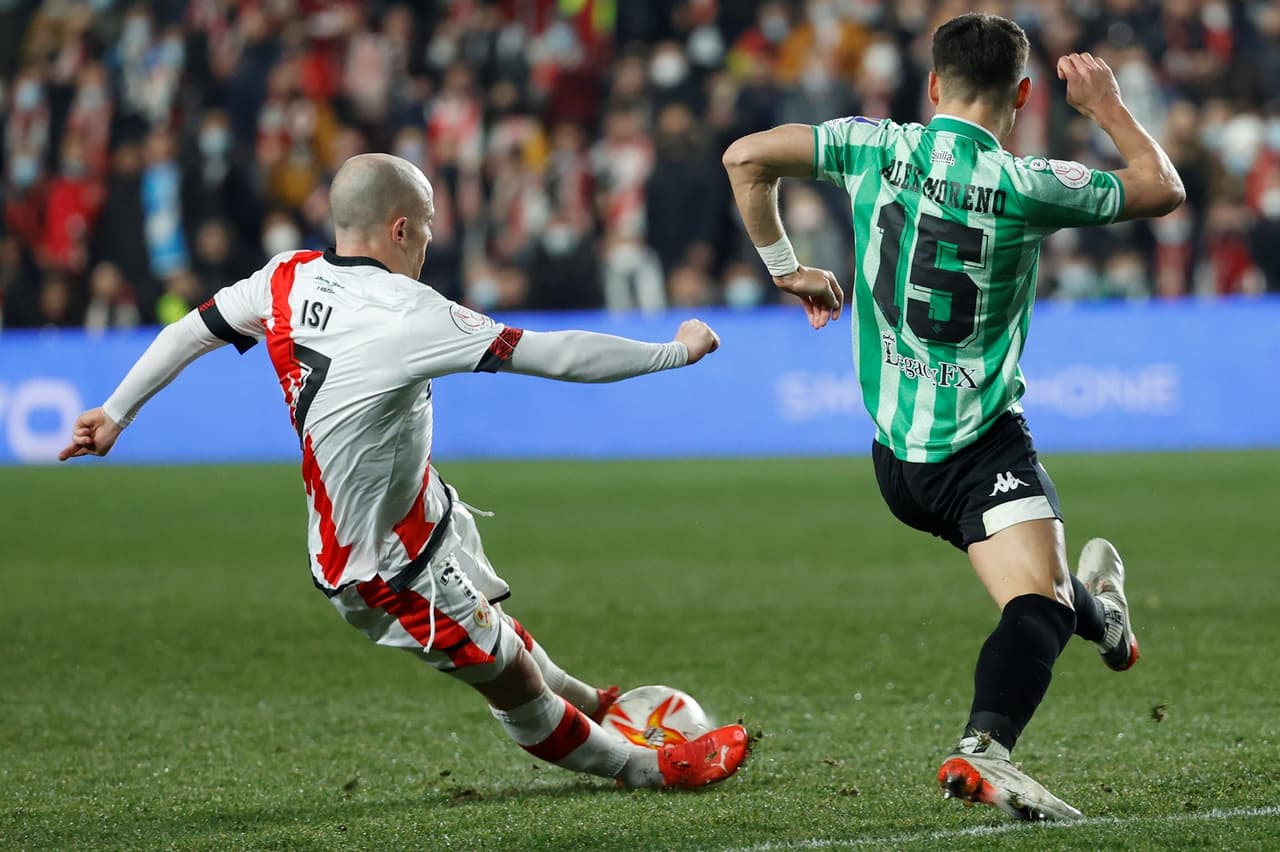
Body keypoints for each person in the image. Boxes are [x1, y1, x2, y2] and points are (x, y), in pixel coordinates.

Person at [58, 153, 748, 791]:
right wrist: (675, 352)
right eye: (424, 229)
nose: (427, 244)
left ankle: (598, 703)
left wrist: (116, 412)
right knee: (506, 676)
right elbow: (557, 354)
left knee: (502, 639)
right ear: (397, 228)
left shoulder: (285, 277)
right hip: (376, 565)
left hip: (417, 507)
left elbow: (191, 330)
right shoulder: (408, 311)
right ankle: (649, 769)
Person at [723, 14, 1184, 820]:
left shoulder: (874, 145)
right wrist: (1107, 106)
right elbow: (1163, 189)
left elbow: (745, 157)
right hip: (977, 443)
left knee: (1039, 573)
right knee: (1036, 605)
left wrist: (787, 269)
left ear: (934, 85)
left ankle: (1103, 616)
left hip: (897, 463)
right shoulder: (1029, 182)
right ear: (1025, 94)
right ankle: (987, 749)